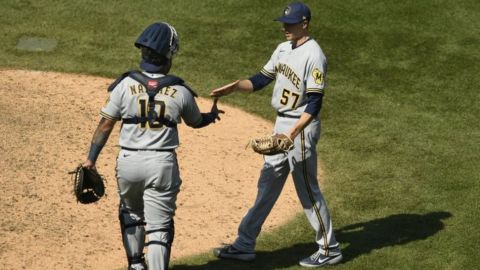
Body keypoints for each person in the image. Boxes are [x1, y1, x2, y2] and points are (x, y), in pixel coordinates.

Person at [82, 22, 223, 270]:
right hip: (161, 165)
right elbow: (196, 121)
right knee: (159, 227)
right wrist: (212, 116)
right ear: (168, 55)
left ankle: (135, 265)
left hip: (128, 163)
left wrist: (90, 160)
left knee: (131, 214)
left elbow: (105, 126)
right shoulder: (180, 90)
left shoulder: (124, 85)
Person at [210, 2, 342, 267]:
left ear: (304, 23)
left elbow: (315, 104)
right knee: (267, 184)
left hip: (300, 128)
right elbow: (260, 80)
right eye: (283, 23)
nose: (285, 27)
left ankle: (329, 249)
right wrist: (235, 87)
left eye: (291, 23)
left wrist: (291, 135)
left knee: (306, 188)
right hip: (281, 125)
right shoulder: (283, 49)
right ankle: (244, 244)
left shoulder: (314, 55)